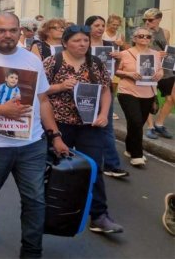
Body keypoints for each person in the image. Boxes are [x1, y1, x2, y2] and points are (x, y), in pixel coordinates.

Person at [0, 12, 69, 257]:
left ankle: (31, 251)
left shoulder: (31, 60)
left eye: (12, 30)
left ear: (20, 31)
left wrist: (56, 135)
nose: (7, 35)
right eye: (1, 30)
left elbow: (42, 99)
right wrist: (0, 109)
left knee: (35, 199)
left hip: (32, 143)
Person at [44, 24, 124, 234]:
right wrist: (60, 87)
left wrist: (103, 114)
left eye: (85, 41)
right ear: (65, 43)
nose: (82, 44)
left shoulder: (95, 63)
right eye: (77, 40)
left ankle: (99, 215)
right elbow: (40, 92)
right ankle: (50, 213)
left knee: (94, 168)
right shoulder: (53, 62)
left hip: (89, 125)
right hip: (60, 125)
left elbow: (106, 91)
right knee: (55, 168)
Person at [84, 15, 129, 178]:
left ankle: (112, 164)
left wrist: (117, 60)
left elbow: (114, 70)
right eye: (96, 25)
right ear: (88, 27)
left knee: (106, 127)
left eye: (102, 25)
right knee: (83, 125)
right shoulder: (83, 44)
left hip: (105, 89)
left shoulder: (110, 45)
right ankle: (83, 162)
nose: (100, 28)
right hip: (85, 89)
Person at [116, 27, 163, 167]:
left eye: (148, 37)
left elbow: (159, 70)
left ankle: (130, 148)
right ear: (134, 38)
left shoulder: (155, 54)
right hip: (127, 92)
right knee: (136, 121)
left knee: (137, 123)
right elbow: (115, 71)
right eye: (141, 36)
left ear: (151, 39)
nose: (144, 38)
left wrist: (159, 74)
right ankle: (137, 155)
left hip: (148, 93)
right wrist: (129, 74)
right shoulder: (124, 53)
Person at [142, 8, 173, 139]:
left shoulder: (165, 32)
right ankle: (150, 127)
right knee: (149, 99)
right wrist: (155, 54)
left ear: (159, 19)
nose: (147, 22)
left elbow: (168, 49)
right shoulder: (142, 33)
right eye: (145, 20)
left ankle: (159, 124)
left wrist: (168, 55)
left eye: (150, 20)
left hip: (165, 70)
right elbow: (138, 51)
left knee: (171, 98)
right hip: (149, 68)